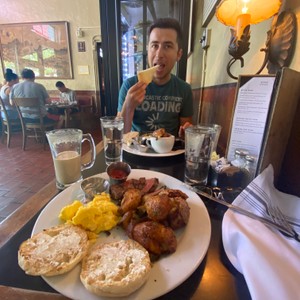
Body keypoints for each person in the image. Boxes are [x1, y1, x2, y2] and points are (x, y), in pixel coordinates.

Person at [117, 18, 193, 137]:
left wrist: (186, 133)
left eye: (167, 46)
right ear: (148, 50)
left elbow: (185, 134)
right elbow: (119, 136)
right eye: (154, 45)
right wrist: (129, 106)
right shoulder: (129, 86)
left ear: (179, 54)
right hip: (137, 150)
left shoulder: (184, 90)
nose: (159, 54)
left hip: (170, 152)